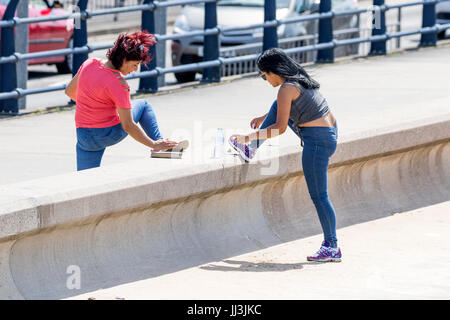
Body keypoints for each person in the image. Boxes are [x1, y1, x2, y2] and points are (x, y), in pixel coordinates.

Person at [229, 48, 341, 262]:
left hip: (316, 142)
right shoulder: (302, 81)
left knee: (319, 196)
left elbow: (280, 128)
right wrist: (265, 117)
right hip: (329, 134)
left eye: (265, 74)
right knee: (279, 106)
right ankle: (251, 149)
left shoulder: (286, 88)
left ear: (275, 71)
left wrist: (249, 136)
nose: (265, 79)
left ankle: (332, 246)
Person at [65, 31, 181, 171]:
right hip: (108, 134)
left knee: (85, 179)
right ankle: (161, 148)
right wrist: (153, 144)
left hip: (84, 137)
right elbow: (128, 126)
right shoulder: (119, 83)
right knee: (143, 105)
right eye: (135, 64)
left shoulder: (89, 63)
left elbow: (70, 92)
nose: (135, 70)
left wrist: (95, 103)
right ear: (124, 59)